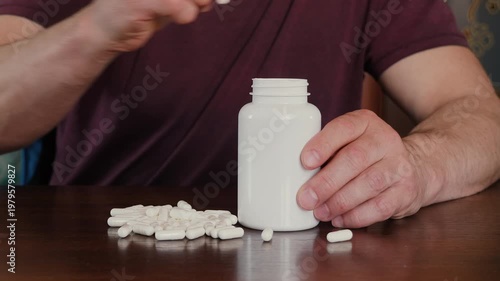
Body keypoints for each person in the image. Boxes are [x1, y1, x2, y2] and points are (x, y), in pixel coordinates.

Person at [0, 0, 499, 228]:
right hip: (100, 243)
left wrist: (416, 165)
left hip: (295, 249)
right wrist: (91, 30)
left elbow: (480, 115)